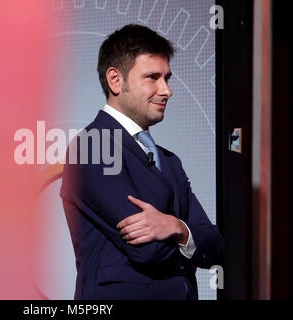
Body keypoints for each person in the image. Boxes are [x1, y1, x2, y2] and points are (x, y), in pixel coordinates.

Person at [60, 24, 224, 300]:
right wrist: (190, 244)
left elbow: (217, 246)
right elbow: (148, 250)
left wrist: (176, 227)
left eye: (167, 78)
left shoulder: (171, 162)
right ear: (115, 80)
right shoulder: (92, 146)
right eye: (152, 77)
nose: (167, 90)